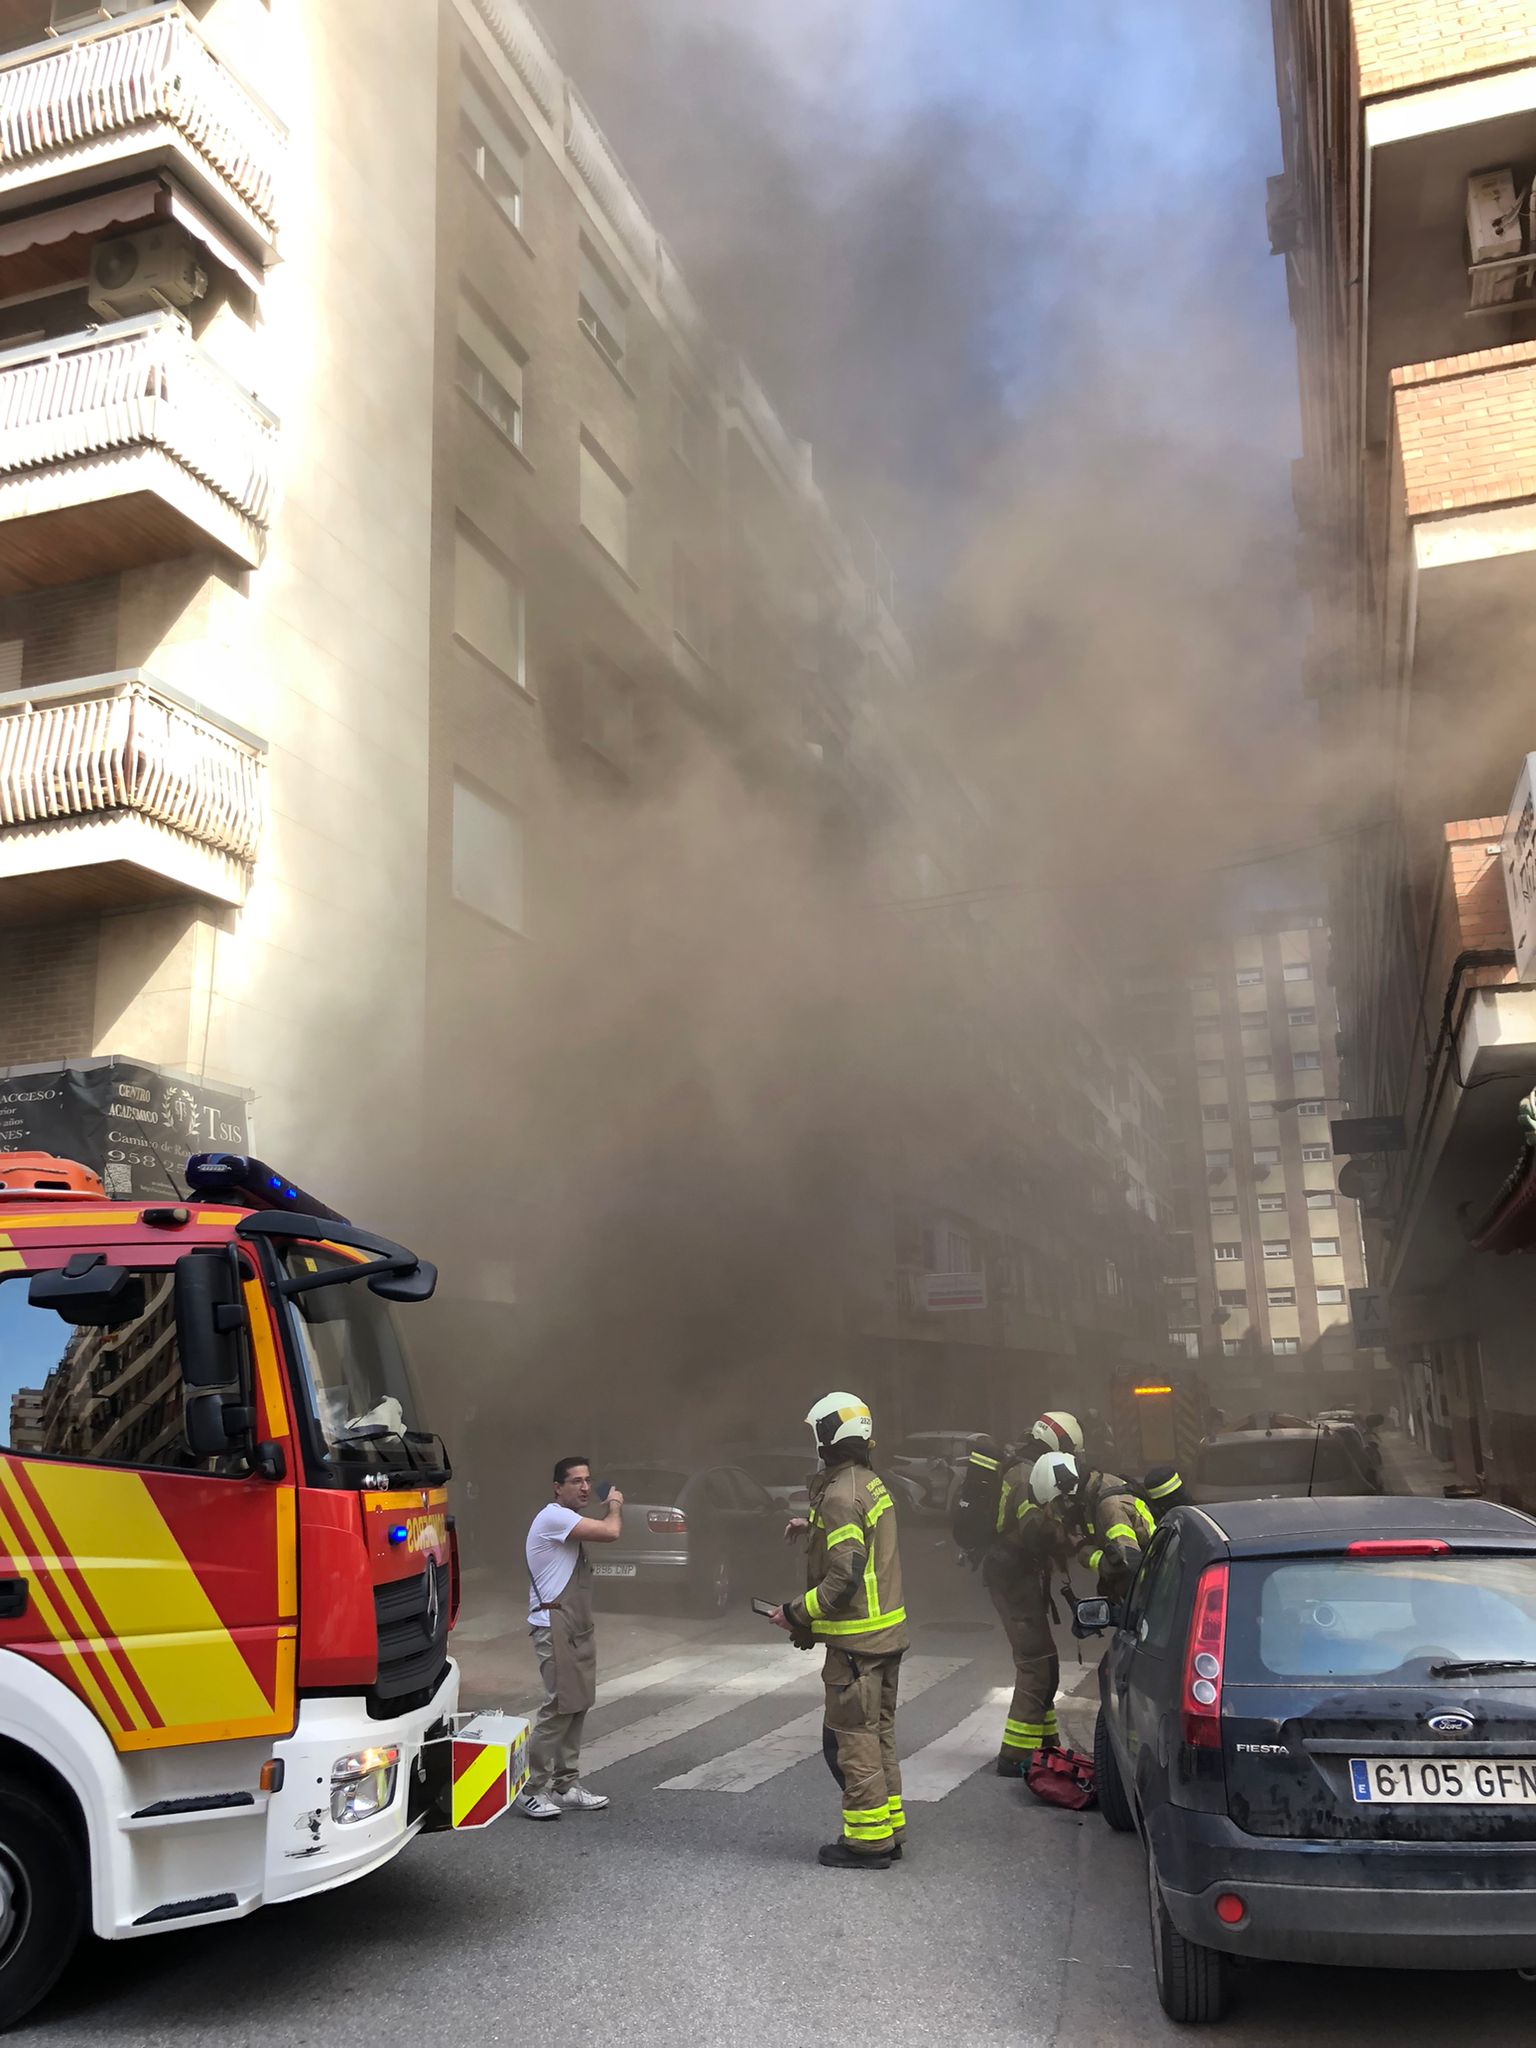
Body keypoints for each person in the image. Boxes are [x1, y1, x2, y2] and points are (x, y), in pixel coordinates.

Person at [771, 1392, 908, 1870]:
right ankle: (890, 1828)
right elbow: (855, 1537)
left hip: (856, 1643)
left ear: (825, 1438)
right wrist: (809, 1525)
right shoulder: (868, 1483)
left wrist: (796, 1612)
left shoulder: (839, 1496)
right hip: (886, 1636)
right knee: (878, 1735)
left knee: (851, 1740)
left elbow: (843, 1574)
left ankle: (867, 1844)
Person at [514, 1455, 625, 1821]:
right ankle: (531, 1789)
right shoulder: (554, 1517)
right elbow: (611, 1531)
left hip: (575, 1623)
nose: (584, 1486)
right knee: (559, 1707)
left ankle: (566, 1785)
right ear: (557, 1487)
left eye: (587, 1480)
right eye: (575, 1481)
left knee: (578, 1704)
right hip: (554, 1623)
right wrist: (615, 1504)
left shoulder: (568, 1519)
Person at [985, 1441, 1063, 1775]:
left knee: (1046, 1663)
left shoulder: (1025, 1470)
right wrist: (1063, 1535)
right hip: (1012, 1573)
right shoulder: (1025, 1476)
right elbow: (1032, 1529)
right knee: (1035, 1663)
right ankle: (1016, 1755)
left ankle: (1046, 1746)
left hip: (1018, 1573)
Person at [1030, 1451, 1153, 1602]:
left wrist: (1088, 1554)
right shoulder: (1100, 1485)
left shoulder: (1109, 1507)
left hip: (1152, 1589)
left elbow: (1129, 1566)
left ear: (1065, 1493)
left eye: (1058, 1502)